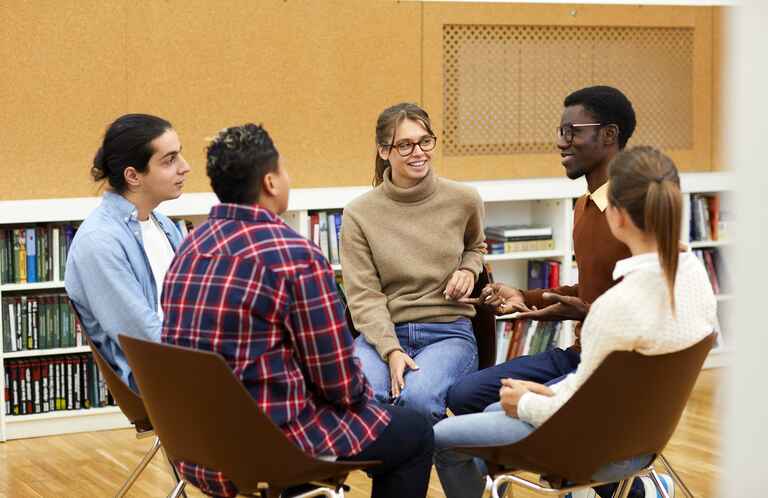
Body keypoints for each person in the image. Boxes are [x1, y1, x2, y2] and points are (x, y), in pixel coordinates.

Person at [161, 123, 434, 498]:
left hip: (200, 446)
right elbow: (339, 381)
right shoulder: (294, 255)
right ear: (271, 183)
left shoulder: (190, 246)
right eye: (284, 171)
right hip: (273, 446)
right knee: (415, 432)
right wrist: (361, 399)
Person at [434, 145, 717, 498]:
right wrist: (541, 393)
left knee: (443, 438)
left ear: (617, 217)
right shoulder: (696, 278)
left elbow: (579, 411)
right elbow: (591, 391)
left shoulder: (616, 306)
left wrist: (524, 402)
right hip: (645, 438)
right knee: (491, 409)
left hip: (589, 448)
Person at [447, 86, 636, 414]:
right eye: (561, 131)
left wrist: (586, 311)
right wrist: (523, 296)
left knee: (495, 409)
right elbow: (592, 287)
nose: (561, 142)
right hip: (581, 354)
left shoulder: (638, 212)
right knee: (464, 394)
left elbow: (655, 309)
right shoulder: (584, 207)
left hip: (619, 368)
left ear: (609, 135)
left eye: (572, 132)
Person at [341, 102, 486, 425]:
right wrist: (391, 350)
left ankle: (428, 470)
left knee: (417, 401)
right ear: (383, 151)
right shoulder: (359, 214)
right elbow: (363, 296)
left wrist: (467, 269)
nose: (418, 152)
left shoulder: (464, 199)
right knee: (361, 398)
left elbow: (475, 246)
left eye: (425, 141)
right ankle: (391, 475)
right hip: (384, 333)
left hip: (448, 331)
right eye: (404, 145)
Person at [65, 113, 189, 389]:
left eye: (179, 155)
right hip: (162, 377)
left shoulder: (165, 225)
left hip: (188, 361)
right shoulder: (99, 242)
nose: (185, 167)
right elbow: (143, 338)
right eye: (169, 160)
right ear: (133, 175)